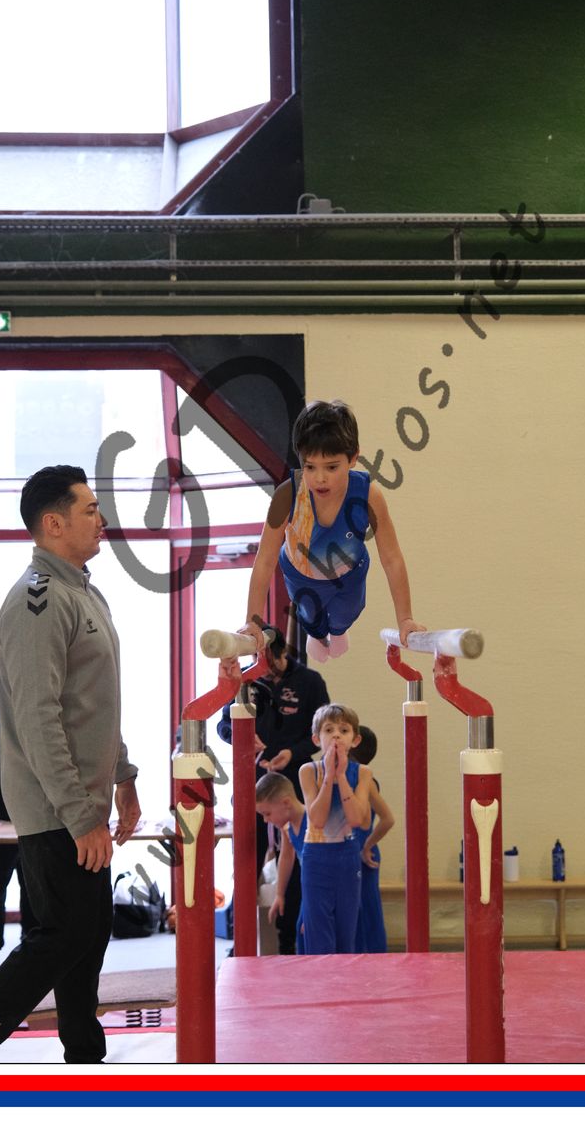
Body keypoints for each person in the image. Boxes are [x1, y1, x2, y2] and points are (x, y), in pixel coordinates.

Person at [0, 465, 140, 1064]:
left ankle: (85, 1057)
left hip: (84, 805)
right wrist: (79, 815)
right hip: (54, 811)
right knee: (61, 935)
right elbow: (37, 719)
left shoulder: (85, 593)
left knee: (88, 934)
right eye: (90, 509)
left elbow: (95, 703)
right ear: (53, 523)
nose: (102, 519)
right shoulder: (36, 602)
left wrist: (123, 777)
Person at [240, 399, 425, 662]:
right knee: (311, 617)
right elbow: (265, 560)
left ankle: (338, 631)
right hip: (301, 575)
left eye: (331, 467)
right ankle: (316, 635)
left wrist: (405, 619)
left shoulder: (369, 496)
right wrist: (252, 621)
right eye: (310, 467)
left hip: (350, 572)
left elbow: (392, 558)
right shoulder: (288, 495)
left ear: (353, 458)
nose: (320, 478)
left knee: (347, 612)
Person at [216, 625, 327, 953]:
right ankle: (241, 940)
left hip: (292, 782)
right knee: (246, 859)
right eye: (256, 659)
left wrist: (292, 752)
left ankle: (289, 940)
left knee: (293, 861)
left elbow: (320, 733)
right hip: (251, 780)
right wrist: (241, 737)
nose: (263, 667)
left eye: (269, 661)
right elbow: (222, 725)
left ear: (281, 654)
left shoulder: (309, 682)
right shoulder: (245, 679)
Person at [297, 703, 373, 954]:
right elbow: (317, 820)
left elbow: (357, 819)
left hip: (347, 856)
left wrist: (341, 776)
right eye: (329, 730)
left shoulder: (362, 773)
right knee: (319, 934)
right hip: (317, 857)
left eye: (344, 730)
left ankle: (345, 978)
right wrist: (329, 775)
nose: (336, 736)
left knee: (345, 934)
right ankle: (320, 978)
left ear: (355, 739)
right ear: (317, 739)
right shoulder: (308, 771)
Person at [0, 712, 37, 977]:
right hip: (20, 819)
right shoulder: (9, 721)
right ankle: (28, 949)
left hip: (10, 819)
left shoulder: (2, 721)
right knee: (27, 884)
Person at [351, 726, 394, 953]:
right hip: (354, 850)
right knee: (355, 909)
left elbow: (387, 820)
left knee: (366, 908)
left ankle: (372, 955)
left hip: (362, 853)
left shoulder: (365, 782)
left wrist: (367, 845)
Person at [255, 771, 307, 953]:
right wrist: (279, 894)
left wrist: (314, 909)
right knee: (302, 939)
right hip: (310, 893)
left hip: (324, 892)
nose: (265, 820)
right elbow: (286, 857)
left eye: (267, 813)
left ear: (286, 803)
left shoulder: (314, 822)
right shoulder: (287, 827)